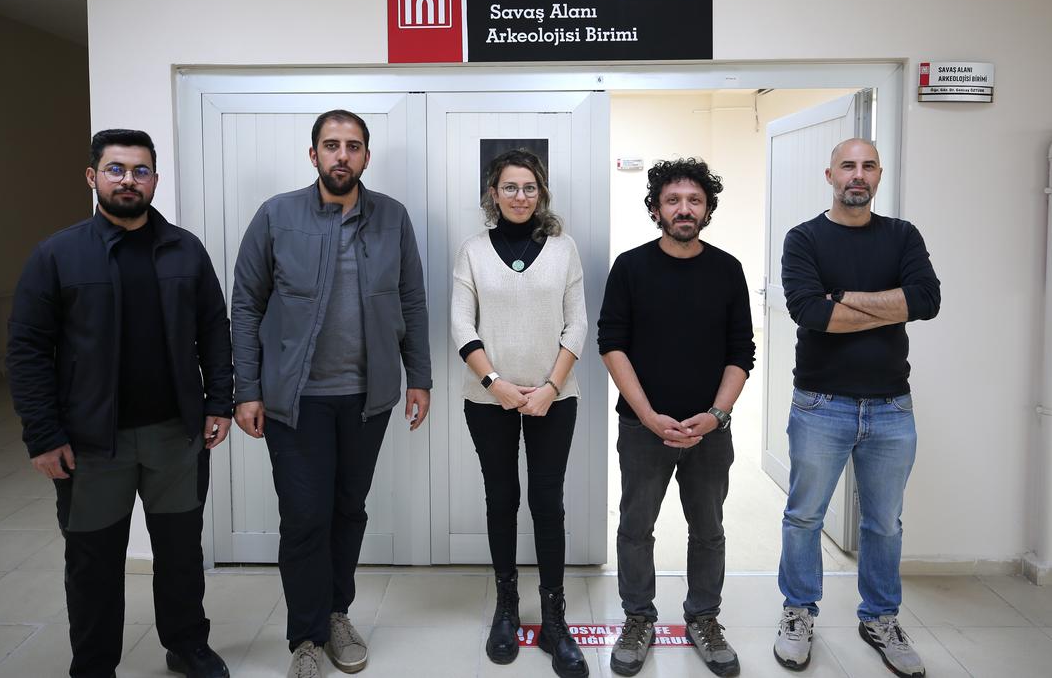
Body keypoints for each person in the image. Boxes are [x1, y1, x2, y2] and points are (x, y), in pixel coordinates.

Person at [7, 128, 233, 678]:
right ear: (92, 176)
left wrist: (218, 402)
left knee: (180, 554)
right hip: (89, 444)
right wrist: (43, 434)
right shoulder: (57, 255)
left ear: (154, 179)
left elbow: (215, 330)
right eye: (116, 169)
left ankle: (186, 645)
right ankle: (94, 663)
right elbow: (28, 350)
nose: (128, 180)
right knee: (93, 562)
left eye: (140, 171)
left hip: (174, 436)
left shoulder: (185, 249)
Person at [230, 109, 432, 678]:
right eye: (330, 145)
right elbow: (245, 303)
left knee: (348, 509)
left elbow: (412, 301)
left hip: (368, 398)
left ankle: (337, 614)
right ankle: (306, 639)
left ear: (366, 156)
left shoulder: (391, 217)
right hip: (294, 399)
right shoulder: (277, 215)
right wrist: (246, 387)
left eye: (353, 146)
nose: (341, 155)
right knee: (303, 516)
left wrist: (419, 377)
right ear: (312, 153)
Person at [772, 138, 940, 677]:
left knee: (884, 523)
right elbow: (809, 313)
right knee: (804, 516)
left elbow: (928, 300)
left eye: (868, 166)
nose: (858, 175)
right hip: (821, 403)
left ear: (879, 175)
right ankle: (798, 612)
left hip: (892, 405)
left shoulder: (902, 235)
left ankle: (880, 619)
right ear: (830, 174)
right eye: (848, 165)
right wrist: (891, 305)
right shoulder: (805, 238)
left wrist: (842, 296)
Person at [598, 158, 755, 678]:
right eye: (672, 200)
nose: (683, 209)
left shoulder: (727, 269)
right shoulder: (631, 267)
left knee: (707, 528)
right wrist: (646, 416)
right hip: (643, 429)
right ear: (656, 208)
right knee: (636, 527)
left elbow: (742, 352)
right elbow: (611, 344)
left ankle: (703, 619)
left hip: (710, 431)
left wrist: (714, 415)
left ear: (707, 208)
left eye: (694, 200)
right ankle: (638, 619)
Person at [450, 149, 589, 678]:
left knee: (546, 501)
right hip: (490, 400)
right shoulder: (472, 251)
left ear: (541, 193)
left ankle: (554, 617)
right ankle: (507, 608)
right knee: (502, 497)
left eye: (529, 188)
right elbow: (463, 326)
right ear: (493, 193)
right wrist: (496, 384)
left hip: (556, 397)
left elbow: (576, 324)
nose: (520, 197)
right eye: (510, 187)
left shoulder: (564, 248)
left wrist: (550, 386)